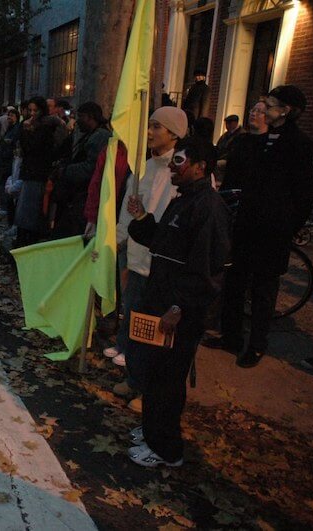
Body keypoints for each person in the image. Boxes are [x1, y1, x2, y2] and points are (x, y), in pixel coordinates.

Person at [125, 136, 231, 467]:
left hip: (178, 313)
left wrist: (178, 307)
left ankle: (166, 449)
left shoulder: (208, 209)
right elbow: (162, 241)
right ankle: (153, 429)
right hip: (161, 302)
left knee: (169, 379)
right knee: (156, 372)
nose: (172, 166)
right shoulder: (182, 199)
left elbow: (208, 271)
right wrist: (141, 218)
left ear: (200, 166)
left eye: (179, 161)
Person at [206, 85, 313, 368]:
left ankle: (256, 345)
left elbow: (304, 194)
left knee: (263, 291)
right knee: (235, 283)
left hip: (273, 232)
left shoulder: (300, 145)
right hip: (245, 225)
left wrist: (288, 227)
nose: (264, 105)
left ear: (285, 110)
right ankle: (230, 337)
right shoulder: (255, 140)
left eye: (271, 102)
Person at [110, 106, 189, 409]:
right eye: (150, 125)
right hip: (137, 257)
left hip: (163, 264)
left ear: (174, 134)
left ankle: (148, 390)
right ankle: (134, 379)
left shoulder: (181, 173)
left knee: (156, 329)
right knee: (134, 320)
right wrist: (117, 241)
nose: (151, 132)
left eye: (158, 126)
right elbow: (129, 211)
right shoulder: (144, 167)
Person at [51, 101, 111, 239]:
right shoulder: (92, 135)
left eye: (81, 116)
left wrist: (65, 171)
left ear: (90, 117)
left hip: (83, 197)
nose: (78, 121)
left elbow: (90, 168)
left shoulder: (100, 136)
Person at [13, 96, 60, 247]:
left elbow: (31, 148)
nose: (32, 113)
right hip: (31, 172)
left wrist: (26, 132)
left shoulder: (44, 127)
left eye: (35, 110)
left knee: (29, 210)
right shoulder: (34, 125)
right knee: (26, 209)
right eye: (30, 110)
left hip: (37, 173)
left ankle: (26, 241)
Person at [219, 100, 268, 191]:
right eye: (253, 110)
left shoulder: (268, 142)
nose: (253, 114)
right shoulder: (240, 139)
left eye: (259, 111)